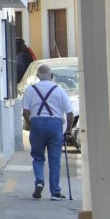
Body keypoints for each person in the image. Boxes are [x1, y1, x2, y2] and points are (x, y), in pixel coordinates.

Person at [22, 63, 74, 200]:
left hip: (37, 123)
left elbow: (25, 112)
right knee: (54, 160)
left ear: (38, 76)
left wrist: (32, 125)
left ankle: (39, 181)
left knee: (38, 157)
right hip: (55, 124)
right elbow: (69, 114)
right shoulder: (59, 90)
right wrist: (68, 130)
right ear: (51, 76)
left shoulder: (30, 90)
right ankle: (55, 192)